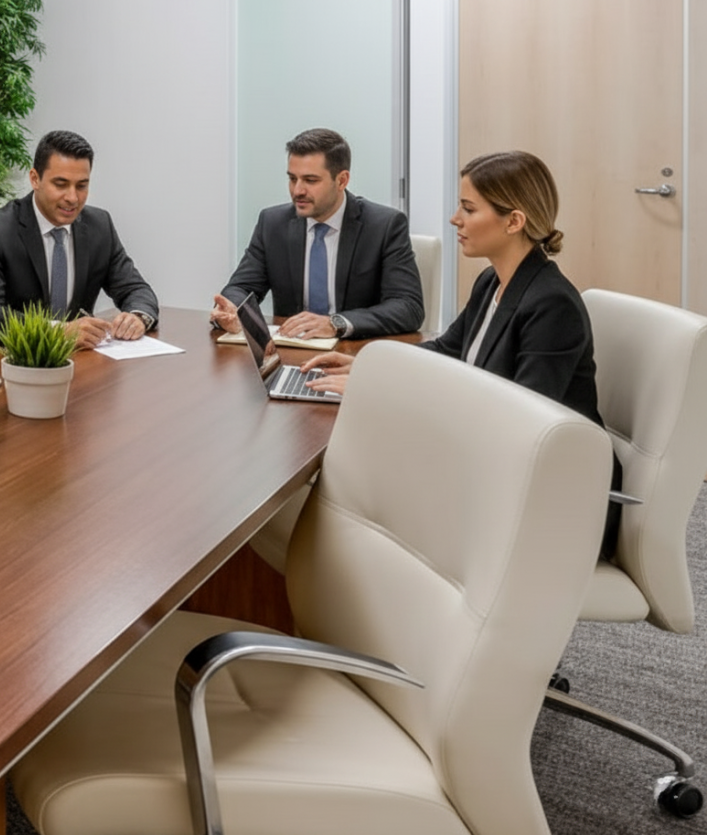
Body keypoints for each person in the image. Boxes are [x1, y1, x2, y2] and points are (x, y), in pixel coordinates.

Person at [303, 150, 620, 556]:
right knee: (353, 478)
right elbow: (446, 352)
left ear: (514, 221)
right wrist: (368, 366)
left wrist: (383, 391)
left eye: (468, 208)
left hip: (557, 498)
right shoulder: (493, 281)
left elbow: (524, 417)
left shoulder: (551, 304)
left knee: (361, 483)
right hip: (494, 466)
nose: (455, 218)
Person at [211, 127, 424, 340]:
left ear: (341, 180)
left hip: (353, 353)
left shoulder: (384, 226)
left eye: (310, 181)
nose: (297, 191)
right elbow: (240, 288)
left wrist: (336, 323)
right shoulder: (273, 223)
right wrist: (233, 310)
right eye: (293, 179)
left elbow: (408, 307)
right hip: (293, 349)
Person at [0, 130, 160, 352]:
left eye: (81, 186)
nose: (72, 198)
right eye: (61, 184)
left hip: (73, 362)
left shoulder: (99, 225)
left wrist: (138, 316)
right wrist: (58, 331)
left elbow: (135, 289)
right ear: (35, 179)